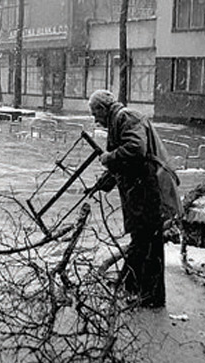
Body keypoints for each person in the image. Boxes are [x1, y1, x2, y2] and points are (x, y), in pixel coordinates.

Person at [86, 90, 166, 308]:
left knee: (144, 241)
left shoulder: (125, 117)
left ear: (104, 108)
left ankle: (138, 291)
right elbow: (125, 160)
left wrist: (108, 158)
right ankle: (142, 291)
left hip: (145, 191)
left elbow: (135, 150)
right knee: (144, 241)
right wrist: (106, 181)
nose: (95, 119)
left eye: (95, 113)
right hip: (140, 190)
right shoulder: (118, 120)